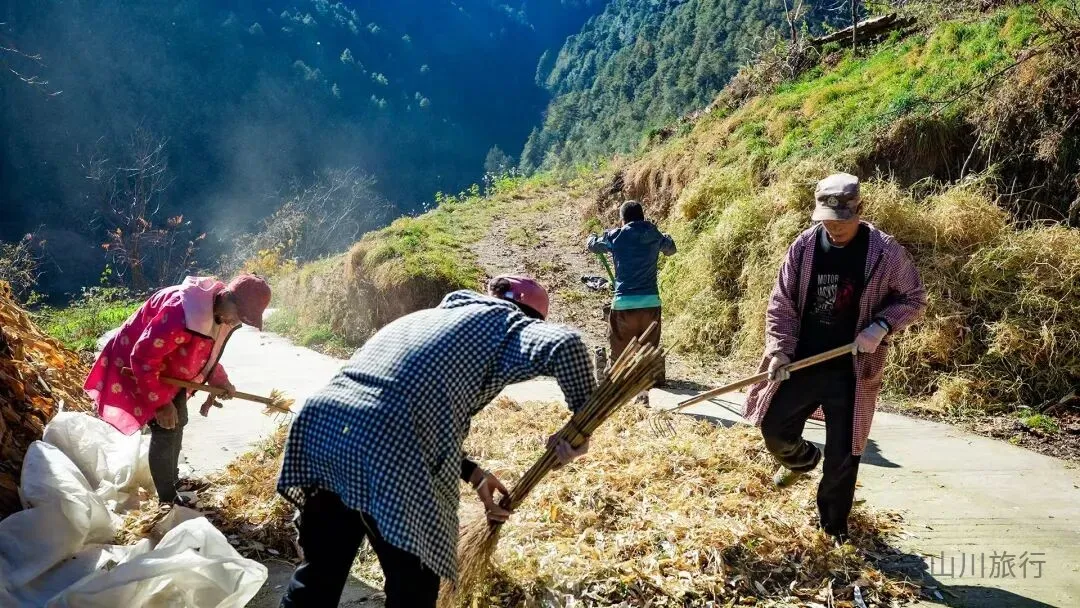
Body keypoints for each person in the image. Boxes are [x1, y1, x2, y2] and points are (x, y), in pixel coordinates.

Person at [276, 276, 595, 608]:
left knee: (317, 578)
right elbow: (565, 344)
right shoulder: (508, 322)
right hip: (387, 442)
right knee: (413, 588)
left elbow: (406, 403)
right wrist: (582, 426)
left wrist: (473, 474)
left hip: (323, 428)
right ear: (532, 317)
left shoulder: (429, 317)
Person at [744, 173, 927, 542]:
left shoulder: (884, 252)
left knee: (844, 455)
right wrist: (779, 349)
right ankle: (802, 459)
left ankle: (832, 528)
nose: (835, 227)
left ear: (860, 209)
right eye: (827, 218)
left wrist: (881, 325)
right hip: (804, 361)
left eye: (843, 219)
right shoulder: (805, 247)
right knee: (774, 429)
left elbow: (914, 298)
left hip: (851, 370)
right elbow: (781, 302)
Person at [84, 274, 271, 505]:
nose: (235, 322)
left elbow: (204, 353)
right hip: (140, 368)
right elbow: (143, 357)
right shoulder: (181, 312)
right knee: (166, 429)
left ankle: (172, 480)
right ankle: (167, 499)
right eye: (239, 315)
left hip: (167, 370)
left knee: (179, 420)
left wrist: (220, 381)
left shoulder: (218, 312)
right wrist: (161, 403)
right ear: (228, 298)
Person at [587, 200, 676, 383]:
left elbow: (593, 245)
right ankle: (648, 378)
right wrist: (665, 236)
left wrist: (591, 236)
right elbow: (671, 249)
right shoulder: (654, 234)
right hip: (651, 303)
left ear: (623, 220)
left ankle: (612, 377)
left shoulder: (616, 235)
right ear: (643, 217)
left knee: (619, 357)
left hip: (624, 304)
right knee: (648, 352)